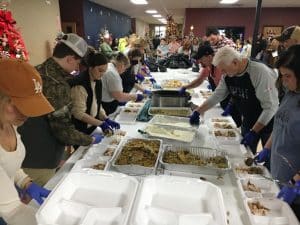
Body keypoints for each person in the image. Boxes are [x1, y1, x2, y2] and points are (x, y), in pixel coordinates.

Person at [18, 33, 102, 186]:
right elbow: (63, 131)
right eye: (77, 63)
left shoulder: (38, 70)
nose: (77, 68)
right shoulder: (56, 84)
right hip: (40, 158)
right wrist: (90, 139)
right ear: (69, 59)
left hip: (26, 151)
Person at [190, 46, 278, 154]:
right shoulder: (228, 75)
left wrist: (254, 131)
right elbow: (217, 95)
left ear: (235, 62)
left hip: (269, 122)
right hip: (248, 119)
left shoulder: (259, 71)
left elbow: (271, 107)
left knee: (270, 159)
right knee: (247, 155)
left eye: (224, 70)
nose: (222, 73)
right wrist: (198, 111)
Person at [0, 59, 54, 224]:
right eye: (16, 104)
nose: (26, 113)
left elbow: (8, 164)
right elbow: (12, 210)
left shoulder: (9, 123)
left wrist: (26, 182)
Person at [255, 45, 300, 220]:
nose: (285, 81)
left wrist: (296, 182)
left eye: (288, 76)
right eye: (282, 76)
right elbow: (280, 124)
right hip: (280, 174)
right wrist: (267, 148)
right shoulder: (291, 93)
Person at [180, 45, 242, 127]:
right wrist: (186, 87)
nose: (199, 61)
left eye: (201, 59)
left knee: (234, 125)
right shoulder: (208, 66)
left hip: (232, 100)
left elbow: (232, 87)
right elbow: (199, 80)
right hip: (222, 98)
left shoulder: (221, 67)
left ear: (209, 57)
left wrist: (231, 103)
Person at [69, 51, 120, 136]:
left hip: (92, 126)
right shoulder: (80, 85)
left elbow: (96, 103)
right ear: (90, 68)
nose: (102, 74)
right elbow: (78, 113)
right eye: (100, 71)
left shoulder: (97, 81)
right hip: (80, 130)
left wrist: (105, 118)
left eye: (104, 71)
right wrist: (100, 123)